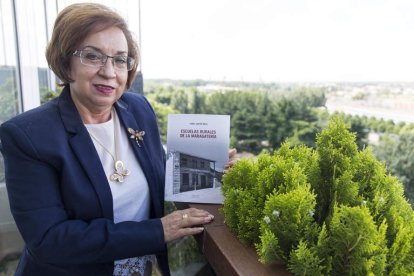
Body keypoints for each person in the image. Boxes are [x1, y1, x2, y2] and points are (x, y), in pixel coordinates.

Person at [0, 3, 220, 275]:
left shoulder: (138, 109)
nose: (109, 71)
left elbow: (156, 173)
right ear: (65, 62)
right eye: (92, 56)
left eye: (119, 59)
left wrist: (210, 167)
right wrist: (158, 230)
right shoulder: (28, 135)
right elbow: (50, 239)